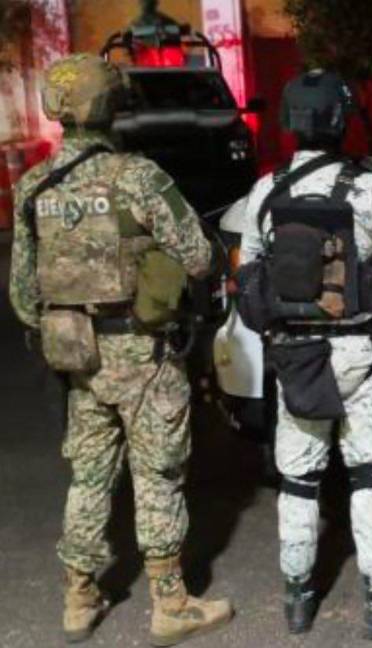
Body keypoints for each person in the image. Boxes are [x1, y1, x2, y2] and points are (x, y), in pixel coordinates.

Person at [8, 53, 232, 646]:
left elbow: (24, 297)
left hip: (77, 358)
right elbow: (199, 256)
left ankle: (79, 598)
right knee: (157, 471)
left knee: (88, 474)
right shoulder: (138, 177)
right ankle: (170, 603)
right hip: (143, 353)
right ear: (110, 104)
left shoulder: (33, 186)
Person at [237, 69, 372, 640]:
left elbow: (249, 270)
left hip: (295, 357)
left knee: (299, 480)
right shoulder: (369, 189)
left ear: (288, 122)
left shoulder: (266, 191)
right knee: (368, 474)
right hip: (359, 355)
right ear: (342, 121)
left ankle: (297, 600)